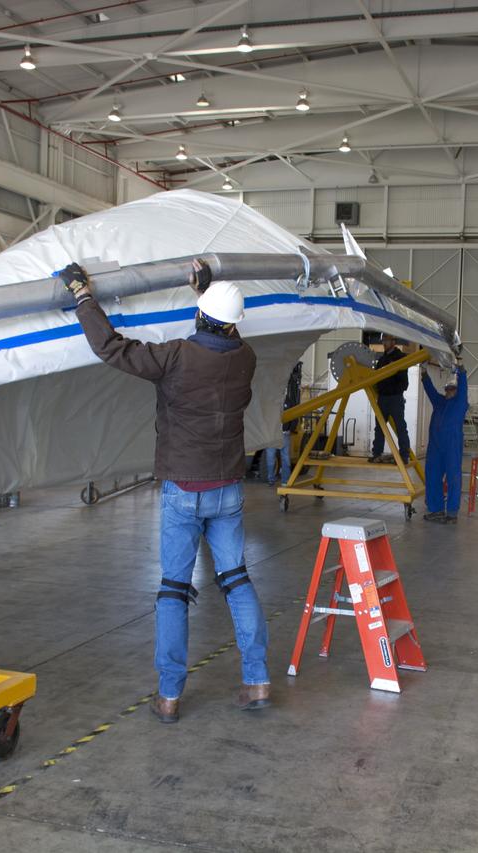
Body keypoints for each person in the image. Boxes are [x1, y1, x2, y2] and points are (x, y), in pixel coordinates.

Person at [61, 259, 270, 723]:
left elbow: (111, 348)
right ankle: (257, 681)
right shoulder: (246, 358)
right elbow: (222, 333)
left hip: (184, 489)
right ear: (234, 323)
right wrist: (206, 291)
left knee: (174, 590)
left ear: (199, 316)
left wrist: (82, 296)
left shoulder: (175, 357)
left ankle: (170, 695)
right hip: (228, 490)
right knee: (237, 580)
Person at [421, 359, 468, 524]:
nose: (448, 391)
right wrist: (424, 373)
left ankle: (452, 513)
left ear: (456, 390)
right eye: (447, 389)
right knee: (432, 476)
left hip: (451, 446)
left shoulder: (460, 404)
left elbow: (463, 389)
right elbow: (430, 390)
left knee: (453, 477)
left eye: (452, 389)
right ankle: (436, 509)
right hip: (435, 446)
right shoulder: (440, 402)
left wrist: (461, 371)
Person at [369, 334, 411, 464]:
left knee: (400, 427)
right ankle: (377, 454)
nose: (384, 343)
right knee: (379, 427)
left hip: (395, 398)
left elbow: (404, 383)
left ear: (393, 342)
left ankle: (404, 456)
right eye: (383, 341)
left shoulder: (400, 358)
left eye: (386, 340)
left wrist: (391, 389)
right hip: (383, 398)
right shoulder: (382, 360)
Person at [264, 362, 302, 486]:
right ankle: (271, 479)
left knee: (285, 458)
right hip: (272, 435)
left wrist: (291, 428)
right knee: (270, 458)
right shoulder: (270, 401)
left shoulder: (288, 401)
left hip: (284, 434)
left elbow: (294, 415)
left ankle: (285, 480)